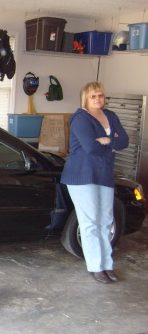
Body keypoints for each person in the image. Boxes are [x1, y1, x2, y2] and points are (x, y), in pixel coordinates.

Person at [61, 81, 129, 284]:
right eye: (93, 96)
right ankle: (95, 267)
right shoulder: (80, 118)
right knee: (90, 222)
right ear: (85, 98)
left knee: (106, 221)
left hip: (104, 173)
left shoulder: (111, 116)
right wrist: (111, 143)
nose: (98, 99)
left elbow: (124, 140)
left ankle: (107, 265)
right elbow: (90, 147)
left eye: (100, 95)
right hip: (82, 175)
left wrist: (106, 141)